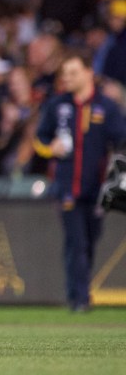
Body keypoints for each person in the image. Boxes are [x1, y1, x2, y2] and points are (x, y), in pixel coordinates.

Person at [34, 52, 126, 312]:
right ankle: (79, 298)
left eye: (73, 73)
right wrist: (51, 148)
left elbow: (121, 139)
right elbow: (39, 139)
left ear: (88, 73)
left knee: (90, 239)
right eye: (65, 74)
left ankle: (79, 293)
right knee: (77, 242)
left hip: (97, 189)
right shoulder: (57, 105)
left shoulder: (106, 107)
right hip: (67, 188)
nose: (67, 78)